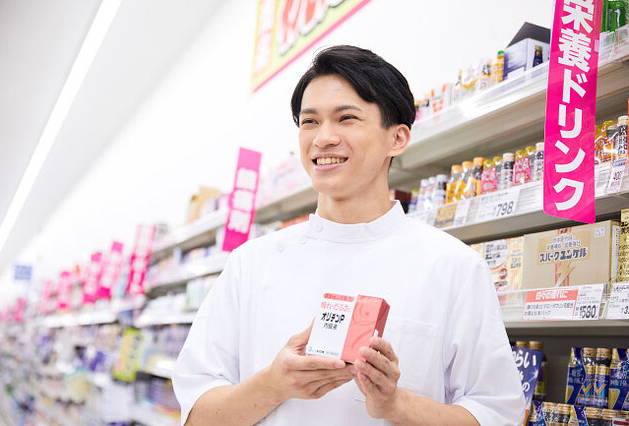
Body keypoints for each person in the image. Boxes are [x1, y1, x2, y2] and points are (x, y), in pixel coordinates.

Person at [173, 45, 525, 425]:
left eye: (346, 118)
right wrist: (274, 383)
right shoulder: (251, 263)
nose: (323, 138)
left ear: (397, 138)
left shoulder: (453, 266)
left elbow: (497, 415)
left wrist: (395, 405)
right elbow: (196, 415)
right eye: (309, 122)